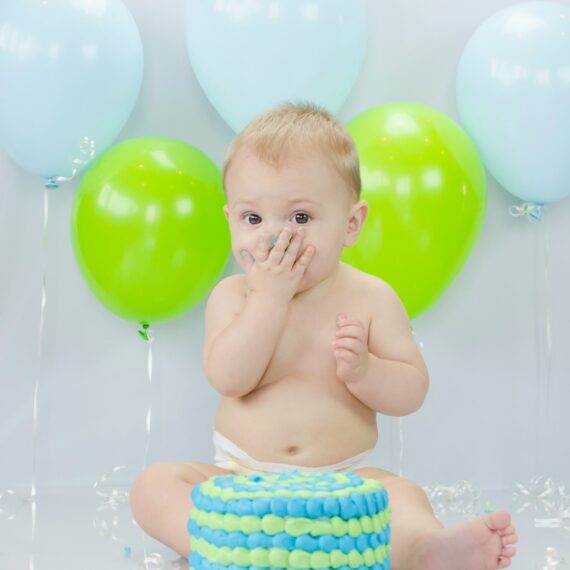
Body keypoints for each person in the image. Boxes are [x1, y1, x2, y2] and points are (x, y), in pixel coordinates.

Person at [130, 102, 518, 569]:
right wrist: (268, 301)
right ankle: (222, 545)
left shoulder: (371, 297)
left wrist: (367, 371)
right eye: (253, 219)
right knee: (153, 486)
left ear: (351, 224)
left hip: (344, 485)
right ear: (230, 218)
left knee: (402, 495)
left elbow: (411, 390)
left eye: (299, 218)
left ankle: (425, 549)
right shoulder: (234, 295)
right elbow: (230, 378)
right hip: (240, 483)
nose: (274, 238)